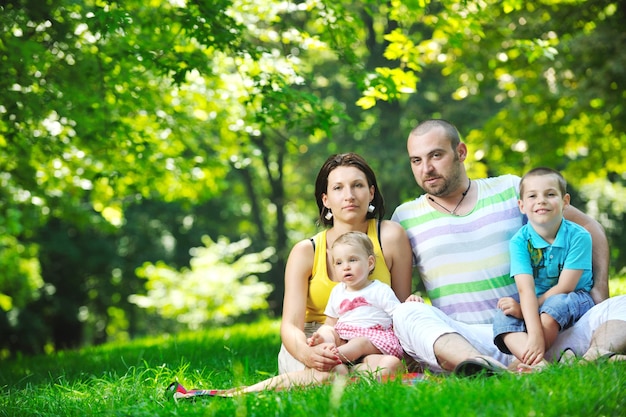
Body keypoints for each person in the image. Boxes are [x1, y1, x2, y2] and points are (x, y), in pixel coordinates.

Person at [391, 119, 626, 375]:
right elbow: (399, 295)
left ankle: (592, 357)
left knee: (621, 305)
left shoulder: (510, 189)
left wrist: (600, 292)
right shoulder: (405, 217)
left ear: (461, 152)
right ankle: (485, 368)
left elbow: (589, 227)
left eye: (436, 155)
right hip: (470, 341)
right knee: (406, 313)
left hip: (543, 329)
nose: (427, 168)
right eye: (416, 160)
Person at [202, 153, 414, 394]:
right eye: (338, 188)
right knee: (328, 376)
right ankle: (246, 392)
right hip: (317, 337)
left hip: (372, 337)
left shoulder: (390, 236)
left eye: (358, 185)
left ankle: (342, 379)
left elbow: (402, 309)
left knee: (387, 369)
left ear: (371, 192)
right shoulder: (306, 251)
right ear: (326, 199)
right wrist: (308, 353)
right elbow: (290, 325)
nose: (349, 195)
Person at [492, 167, 594, 369]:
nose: (541, 200)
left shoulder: (579, 236)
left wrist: (527, 316)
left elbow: (565, 287)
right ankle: (540, 365)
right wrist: (522, 312)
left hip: (574, 297)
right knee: (503, 317)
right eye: (532, 196)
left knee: (553, 308)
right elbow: (525, 289)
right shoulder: (519, 242)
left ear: (565, 201)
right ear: (521, 205)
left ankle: (526, 361)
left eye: (550, 194)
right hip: (536, 300)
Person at [307, 231, 423, 375]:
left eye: (352, 260)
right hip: (344, 338)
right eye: (339, 262)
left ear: (370, 263)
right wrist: (324, 336)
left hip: (372, 339)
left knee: (378, 354)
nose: (346, 267)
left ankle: (333, 357)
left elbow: (399, 316)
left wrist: (411, 305)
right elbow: (330, 323)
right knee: (327, 330)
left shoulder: (379, 289)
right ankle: (349, 368)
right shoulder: (338, 291)